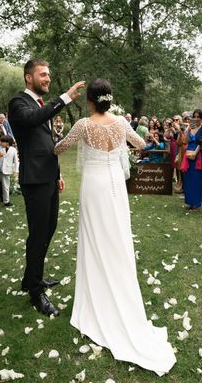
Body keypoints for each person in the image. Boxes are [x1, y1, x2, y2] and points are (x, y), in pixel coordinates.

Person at [54, 79, 176, 375]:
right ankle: (116, 285)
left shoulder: (83, 125)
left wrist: (50, 136)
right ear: (110, 99)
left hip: (94, 185)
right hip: (115, 186)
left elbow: (60, 148)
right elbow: (143, 144)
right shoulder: (121, 122)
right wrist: (119, 146)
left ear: (90, 101)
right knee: (116, 236)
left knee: (94, 237)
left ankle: (96, 294)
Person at [8, 57, 85, 317]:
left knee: (49, 229)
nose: (47, 79)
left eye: (48, 75)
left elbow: (47, 143)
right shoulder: (19, 103)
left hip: (49, 176)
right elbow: (32, 120)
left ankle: (31, 278)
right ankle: (35, 292)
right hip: (34, 179)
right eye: (43, 75)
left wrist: (58, 173)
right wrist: (64, 98)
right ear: (28, 77)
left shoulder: (40, 104)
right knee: (39, 233)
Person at [182, 109, 202, 210]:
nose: (196, 119)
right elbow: (185, 141)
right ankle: (189, 201)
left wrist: (195, 153)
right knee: (188, 179)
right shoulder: (189, 127)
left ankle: (198, 203)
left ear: (201, 118)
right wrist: (189, 131)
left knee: (197, 179)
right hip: (188, 154)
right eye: (194, 117)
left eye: (198, 117)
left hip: (198, 154)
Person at [0, 135, 18, 207]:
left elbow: (16, 160)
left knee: (6, 186)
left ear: (7, 143)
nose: (1, 143)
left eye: (2, 142)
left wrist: (16, 170)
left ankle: (6, 201)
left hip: (7, 170)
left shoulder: (13, 150)